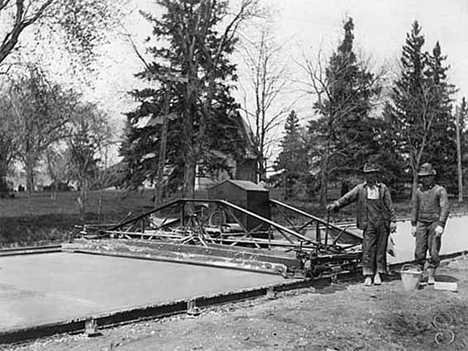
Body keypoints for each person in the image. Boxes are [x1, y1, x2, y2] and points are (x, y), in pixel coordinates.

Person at [326, 163, 397, 286]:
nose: (370, 177)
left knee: (380, 250)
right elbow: (347, 198)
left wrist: (393, 221)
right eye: (367, 174)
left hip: (382, 223)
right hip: (368, 223)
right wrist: (336, 204)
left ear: (375, 175)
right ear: (365, 176)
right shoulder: (360, 189)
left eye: (372, 174)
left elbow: (390, 206)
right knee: (368, 249)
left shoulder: (383, 189)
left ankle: (378, 274)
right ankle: (368, 275)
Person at [410, 163, 450, 285]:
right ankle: (419, 274)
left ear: (433, 176)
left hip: (434, 223)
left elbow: (445, 208)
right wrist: (413, 224)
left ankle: (431, 274)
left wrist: (441, 224)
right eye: (423, 177)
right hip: (421, 222)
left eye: (427, 176)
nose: (425, 179)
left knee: (433, 250)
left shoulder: (440, 190)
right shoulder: (418, 191)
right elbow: (415, 207)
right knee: (419, 250)